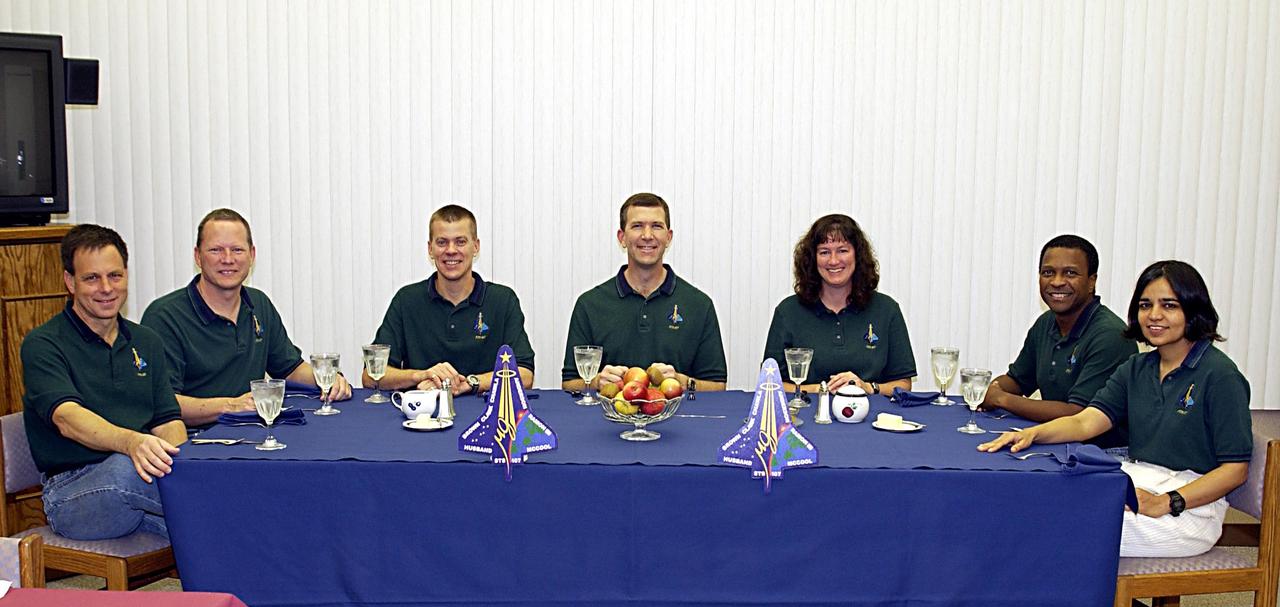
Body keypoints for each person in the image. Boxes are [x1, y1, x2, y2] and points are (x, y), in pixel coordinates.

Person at [979, 260, 1252, 558]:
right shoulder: (1137, 367)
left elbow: (1235, 470)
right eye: (1145, 305)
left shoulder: (1220, 375)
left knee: (1052, 526)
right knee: (1034, 501)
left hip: (1188, 508)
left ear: (1193, 310)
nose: (1154, 315)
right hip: (1135, 481)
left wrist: (1165, 502)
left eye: (1169, 305)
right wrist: (1032, 434)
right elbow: (1085, 423)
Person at [21, 224, 187, 540]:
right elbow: (68, 419)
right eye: (91, 278)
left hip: (139, 486)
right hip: (72, 493)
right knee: (130, 470)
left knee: (209, 533)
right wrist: (132, 443)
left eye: (115, 275)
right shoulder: (43, 344)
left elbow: (167, 421)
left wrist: (190, 468)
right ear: (70, 282)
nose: (106, 288)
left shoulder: (146, 341)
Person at [141, 208, 352, 426]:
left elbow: (290, 368)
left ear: (252, 255)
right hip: (194, 442)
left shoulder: (259, 304)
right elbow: (161, 403)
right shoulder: (165, 317)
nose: (228, 259)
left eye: (237, 250)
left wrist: (327, 378)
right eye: (215, 250)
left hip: (250, 430)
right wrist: (230, 406)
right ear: (197, 256)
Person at [562, 192, 727, 392]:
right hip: (608, 421)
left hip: (679, 421)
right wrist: (595, 383)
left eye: (656, 226)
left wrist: (683, 382)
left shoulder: (699, 305)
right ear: (622, 238)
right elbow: (569, 384)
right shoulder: (589, 304)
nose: (647, 235)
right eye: (637, 226)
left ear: (669, 237)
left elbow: (718, 386)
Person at [979, 235, 1136, 443]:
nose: (1057, 282)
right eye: (1048, 273)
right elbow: (1018, 380)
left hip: (1101, 455)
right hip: (1053, 442)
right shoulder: (1046, 322)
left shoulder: (1111, 335)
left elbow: (1077, 414)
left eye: (1070, 273)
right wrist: (989, 389)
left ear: (1092, 282)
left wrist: (1002, 399)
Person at [364, 204, 534, 395]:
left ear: (476, 246)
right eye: (442, 242)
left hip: (485, 415)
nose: (451, 250)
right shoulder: (407, 300)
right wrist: (422, 376)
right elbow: (371, 376)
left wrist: (471, 383)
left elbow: (525, 374)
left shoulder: (503, 300)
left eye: (460, 242)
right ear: (430, 249)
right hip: (423, 417)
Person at [762, 213, 915, 395]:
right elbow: (769, 384)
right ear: (812, 260)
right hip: (806, 416)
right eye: (824, 252)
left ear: (858, 256)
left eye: (842, 250)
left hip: (870, 418)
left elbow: (904, 384)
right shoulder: (788, 311)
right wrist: (823, 389)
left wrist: (867, 387)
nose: (833, 261)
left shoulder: (887, 309)